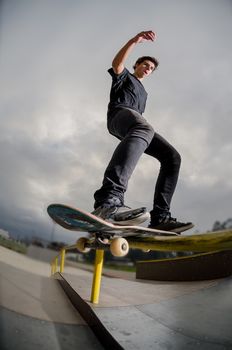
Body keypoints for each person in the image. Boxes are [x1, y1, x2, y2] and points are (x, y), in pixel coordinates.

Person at [92, 30, 193, 233]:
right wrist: (134, 41)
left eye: (151, 68)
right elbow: (117, 64)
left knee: (172, 157)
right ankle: (109, 199)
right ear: (137, 65)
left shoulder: (144, 93)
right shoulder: (125, 77)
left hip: (136, 126)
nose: (148, 68)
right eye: (145, 64)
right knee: (144, 126)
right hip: (119, 115)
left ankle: (160, 217)